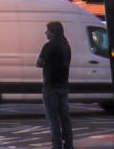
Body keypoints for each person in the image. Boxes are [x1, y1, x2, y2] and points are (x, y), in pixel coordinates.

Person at [37, 21, 74, 149]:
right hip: (64, 85)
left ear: (53, 33)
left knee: (53, 119)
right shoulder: (66, 45)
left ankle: (57, 146)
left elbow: (39, 63)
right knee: (65, 118)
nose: (45, 33)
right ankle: (69, 145)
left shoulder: (49, 46)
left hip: (51, 86)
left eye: (47, 30)